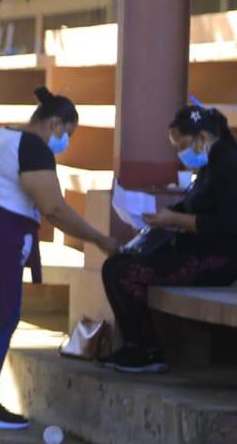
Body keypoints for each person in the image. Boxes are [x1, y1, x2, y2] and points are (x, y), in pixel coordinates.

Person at [0, 87, 119, 428]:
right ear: (54, 123)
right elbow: (54, 208)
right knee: (1, 318)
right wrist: (98, 238)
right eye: (67, 133)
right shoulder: (33, 148)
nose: (65, 140)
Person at [98, 104, 237, 373]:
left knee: (127, 272)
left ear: (204, 138)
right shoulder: (210, 166)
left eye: (182, 145)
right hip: (194, 251)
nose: (180, 154)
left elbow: (227, 224)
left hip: (217, 260)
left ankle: (149, 351)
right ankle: (134, 346)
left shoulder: (229, 166)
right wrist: (157, 216)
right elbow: (191, 205)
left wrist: (174, 221)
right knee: (115, 265)